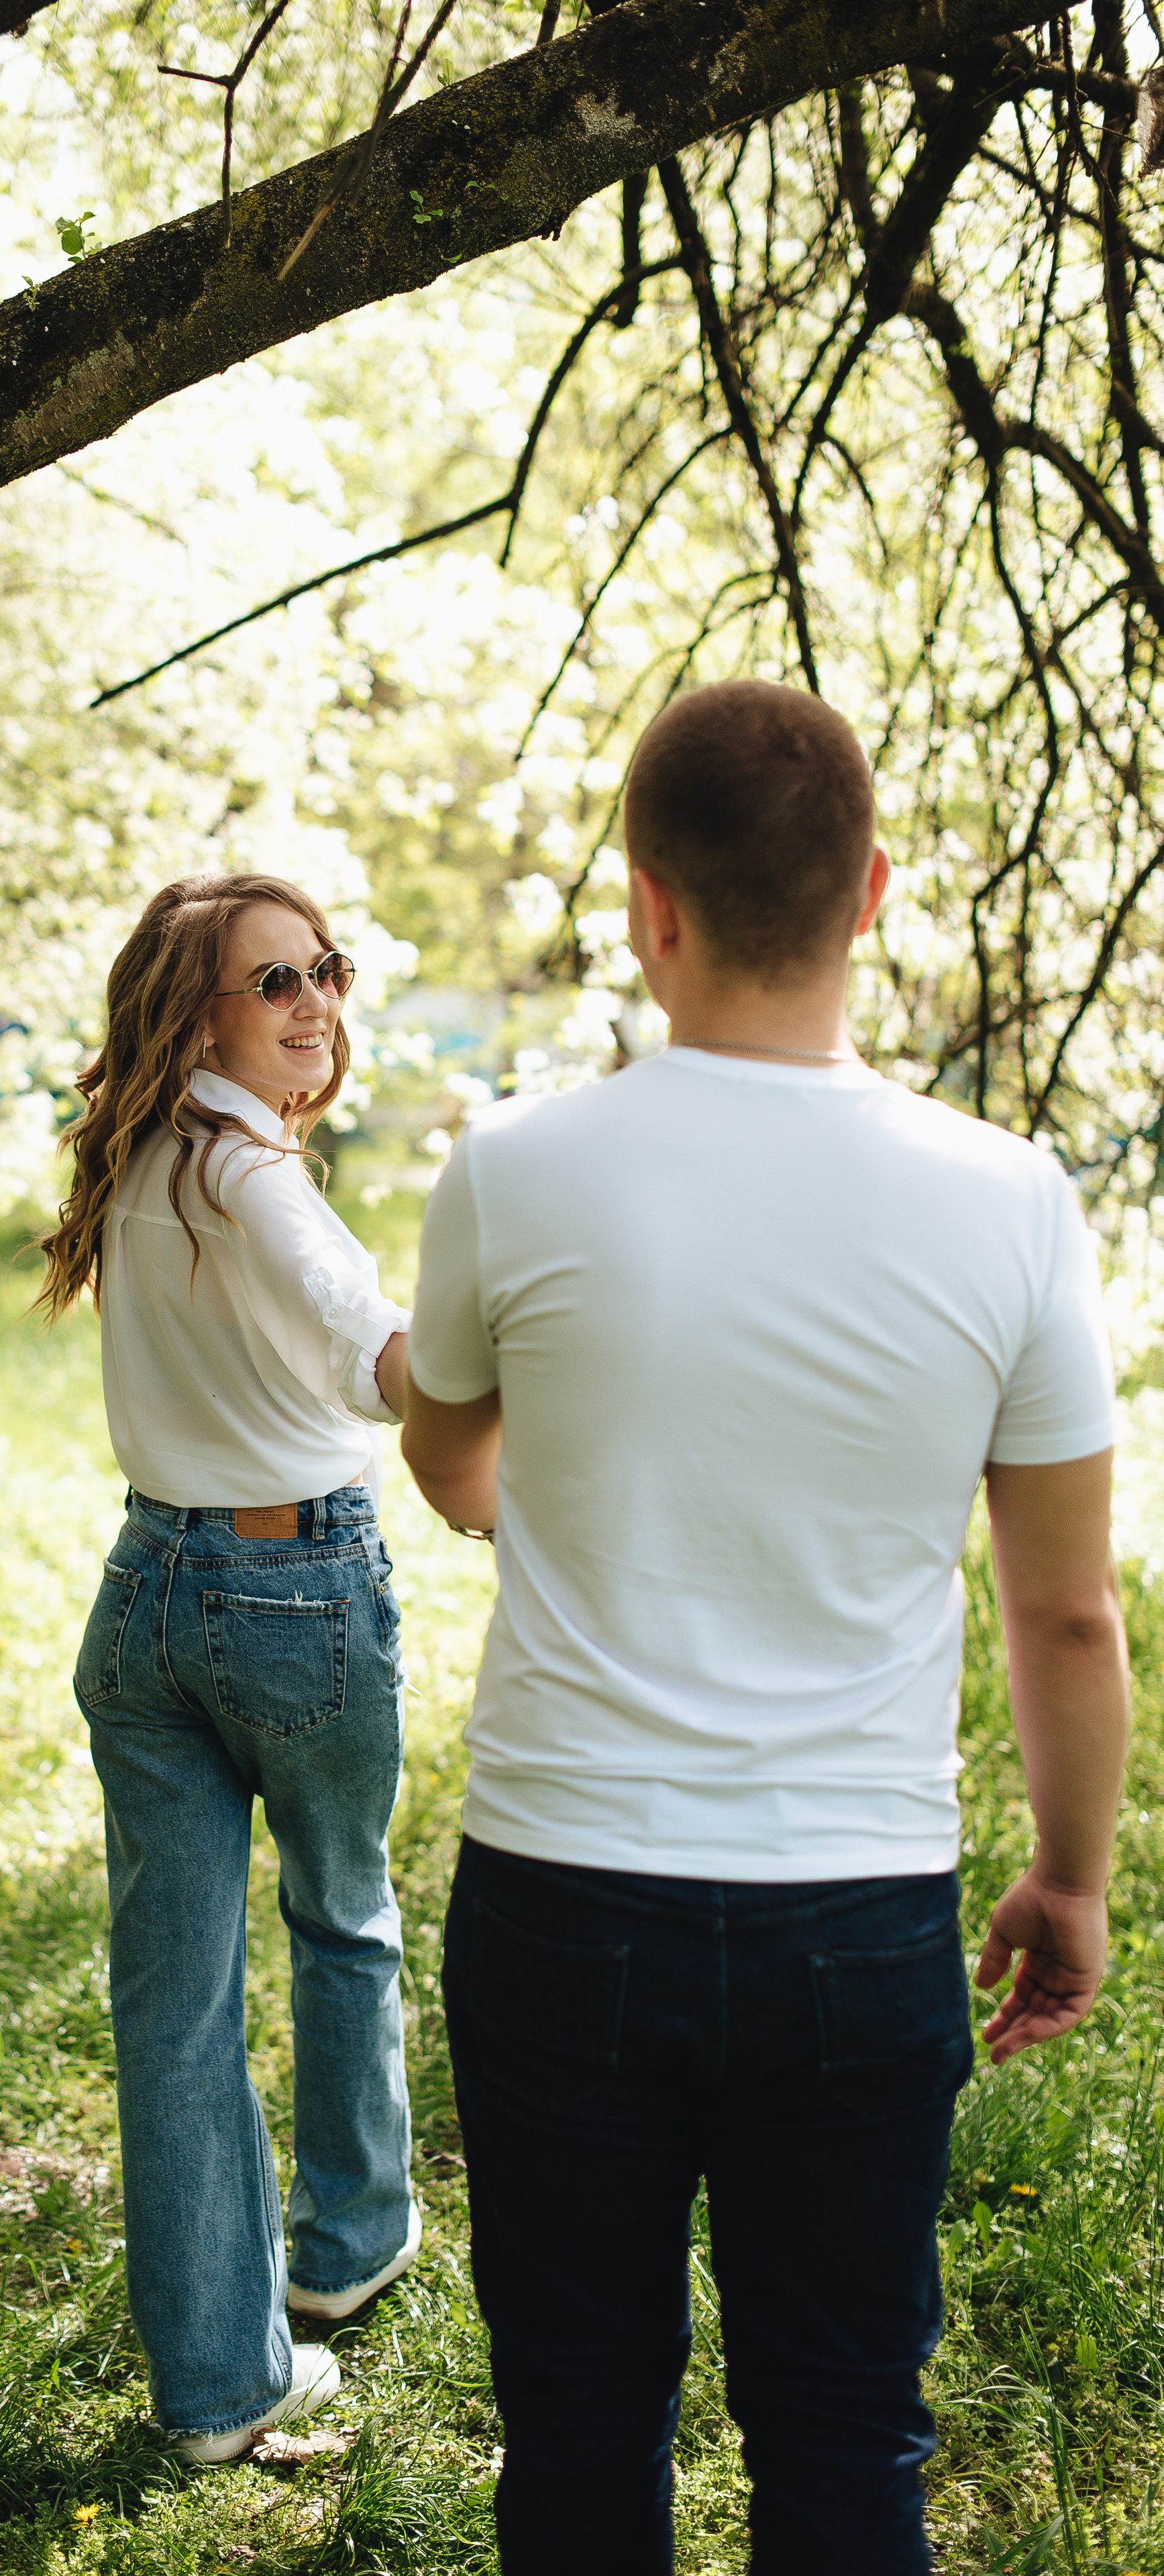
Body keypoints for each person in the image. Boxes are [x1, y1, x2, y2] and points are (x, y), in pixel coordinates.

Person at [399, 680, 1129, 2573]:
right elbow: (1061, 1614)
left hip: (562, 1898)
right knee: (842, 2435)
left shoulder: (514, 1168)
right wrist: (1072, 1880)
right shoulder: (1012, 1198)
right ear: (872, 892)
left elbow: (452, 1449)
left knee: (575, 2426)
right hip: (858, 1919)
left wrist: (546, 1500)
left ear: (650, 909)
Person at [38, 872, 420, 2465]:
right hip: (292, 1587)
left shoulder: (138, 1155)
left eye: (322, 969)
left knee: (175, 2005)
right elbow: (387, 1368)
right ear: (192, 1006)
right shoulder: (253, 1178)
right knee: (340, 1915)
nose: (313, 1004)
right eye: (273, 982)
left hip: (147, 1597)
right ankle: (346, 2246)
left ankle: (215, 2383)